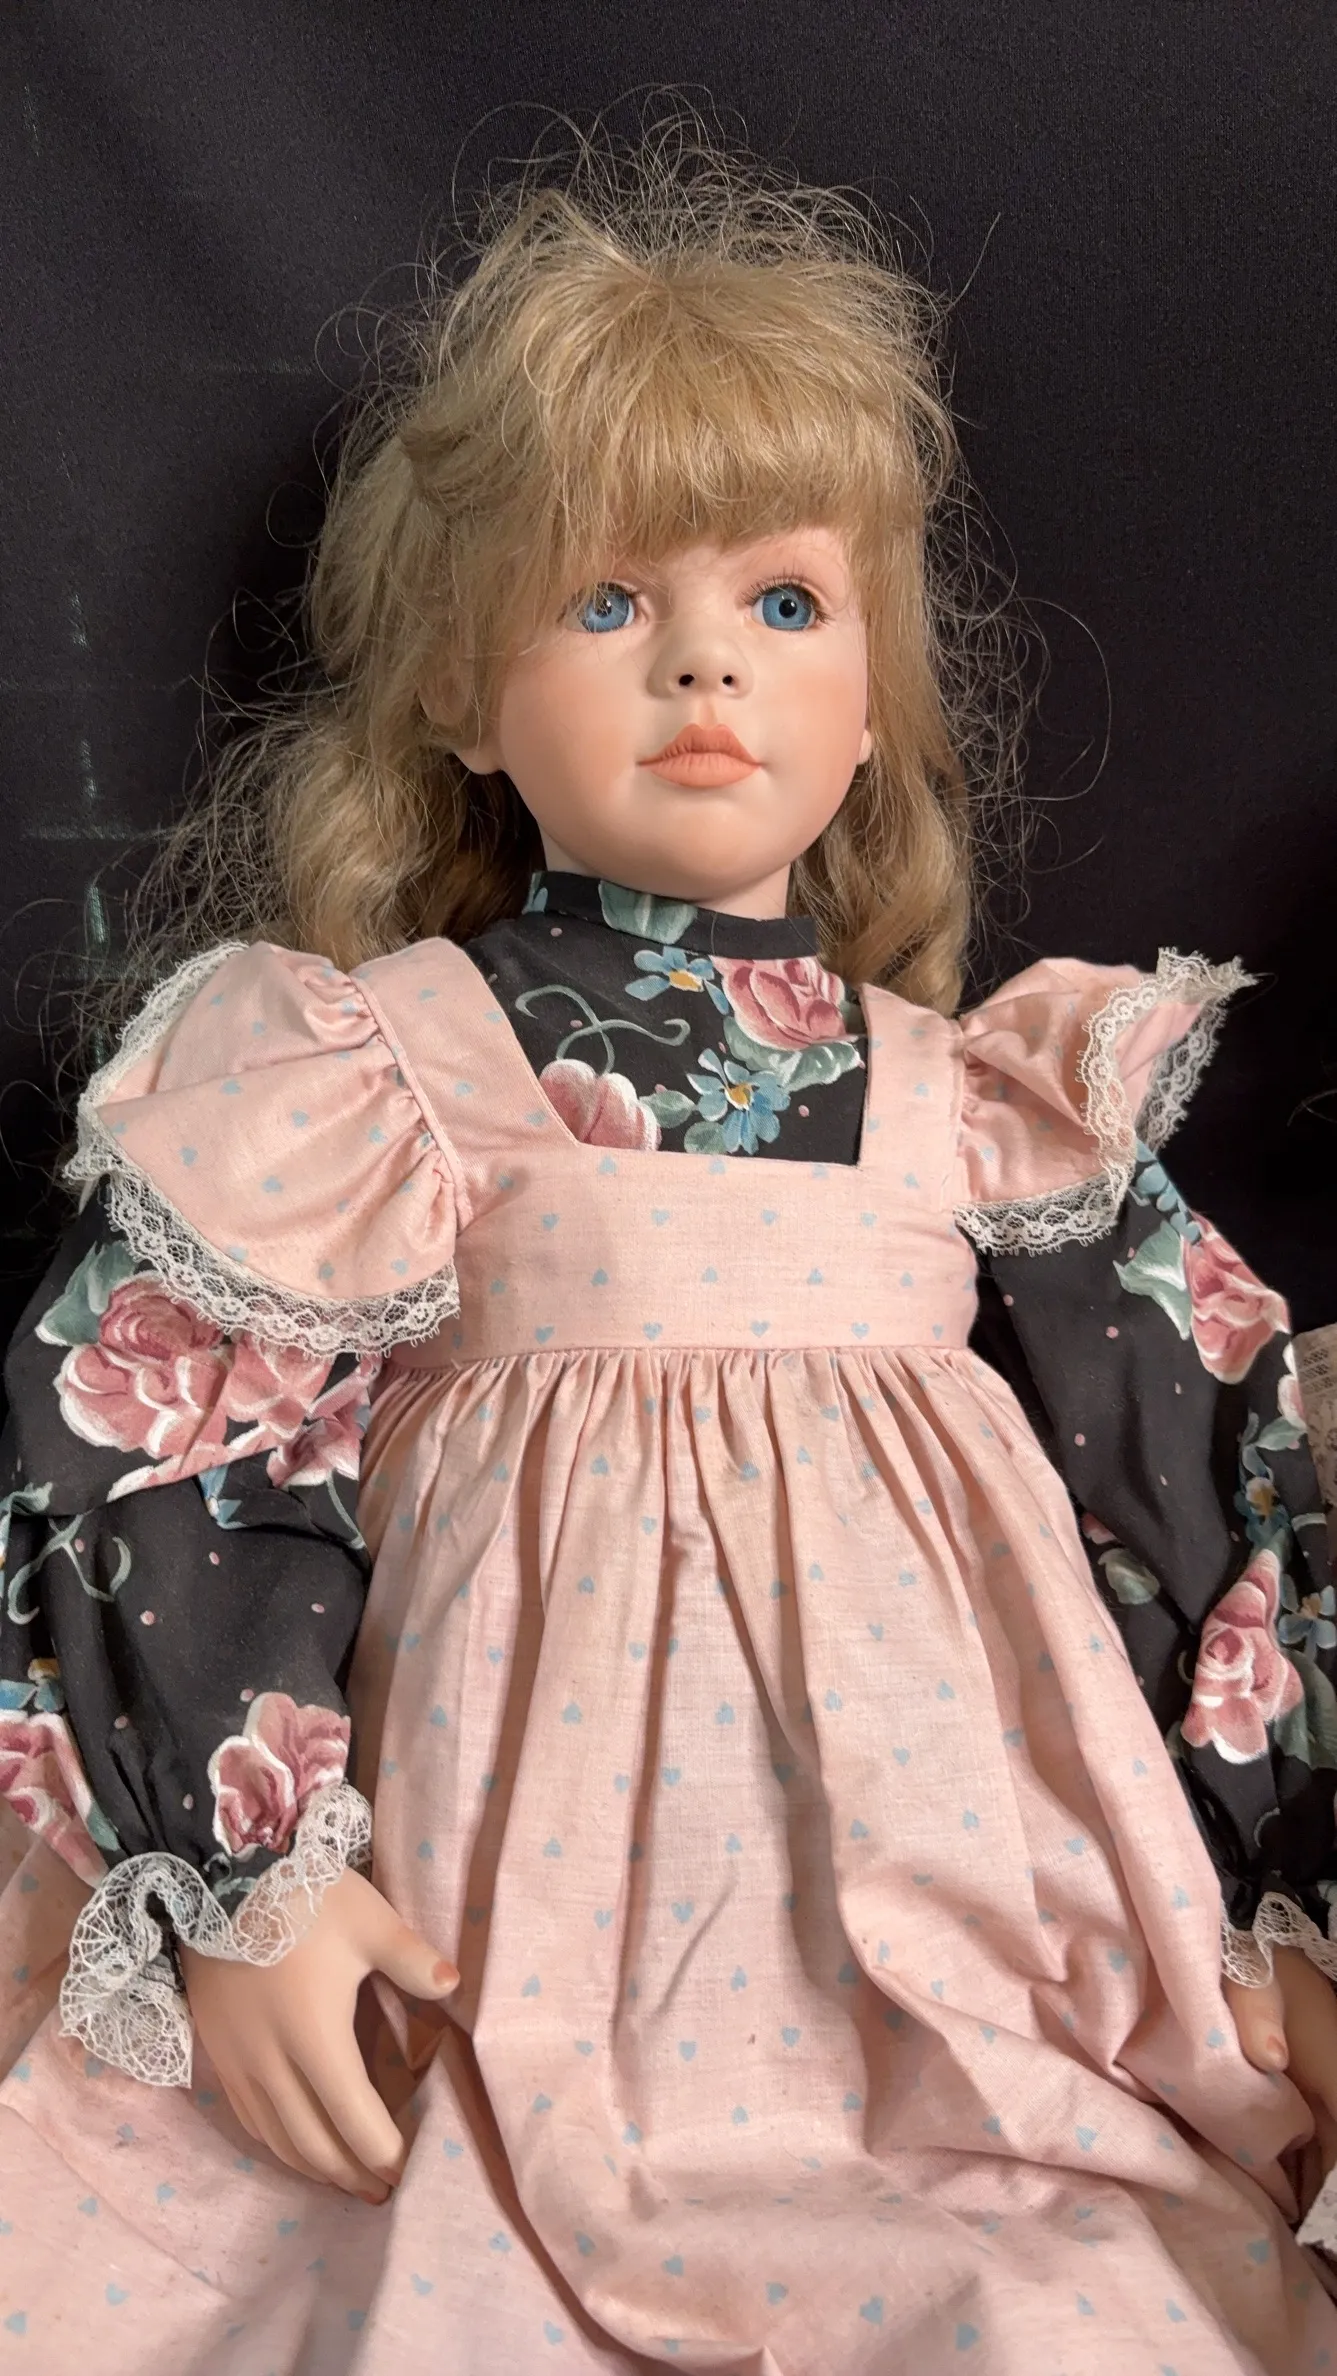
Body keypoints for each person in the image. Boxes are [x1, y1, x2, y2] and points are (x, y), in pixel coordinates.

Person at [0, 127, 1334, 2373]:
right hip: (500, 1910)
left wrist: (1281, 1885)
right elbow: (168, 1448)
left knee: (1060, 2293)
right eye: (608, 603)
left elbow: (1200, 1485)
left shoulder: (981, 1103)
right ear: (458, 694)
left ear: (873, 700)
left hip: (958, 1924)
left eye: (784, 606)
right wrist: (239, 1879)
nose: (704, 661)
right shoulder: (371, 1069)